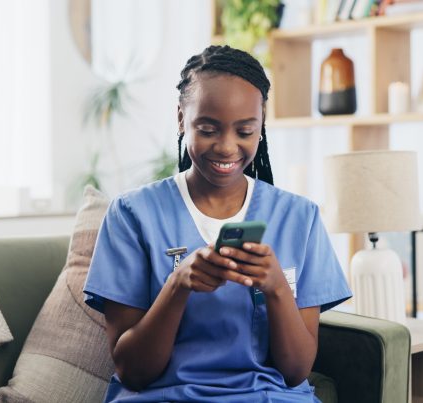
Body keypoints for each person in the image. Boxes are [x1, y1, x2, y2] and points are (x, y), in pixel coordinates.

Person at [83, 45, 352, 403]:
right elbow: (133, 371)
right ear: (181, 119)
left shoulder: (299, 218)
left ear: (261, 124)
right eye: (208, 129)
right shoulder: (132, 215)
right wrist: (177, 286)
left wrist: (276, 289)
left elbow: (295, 372)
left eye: (244, 130)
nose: (227, 147)